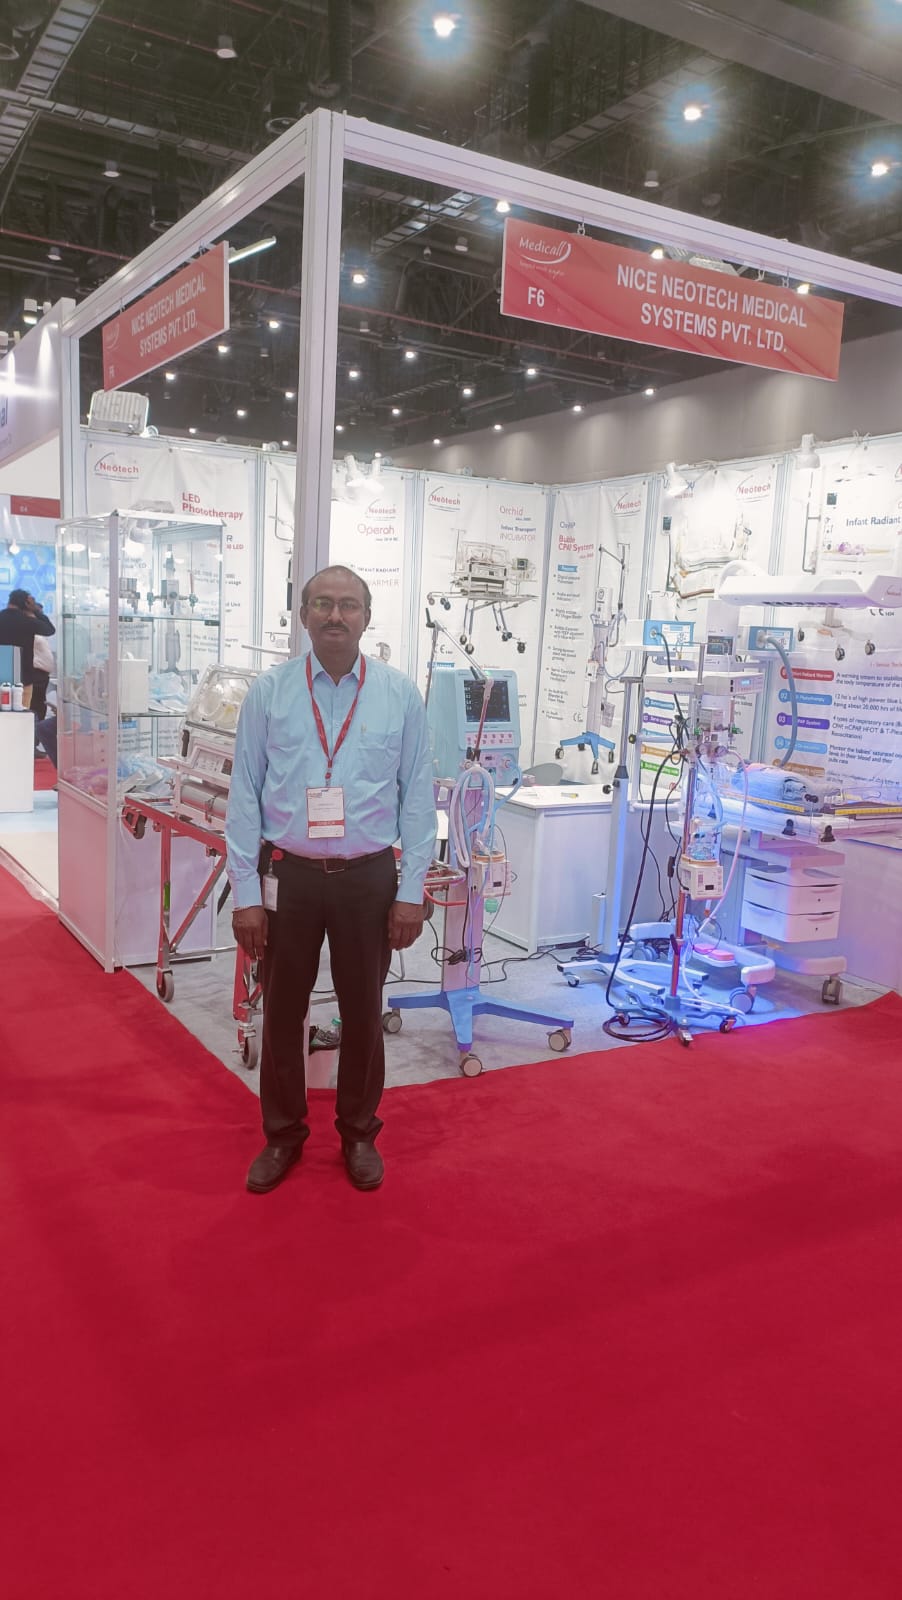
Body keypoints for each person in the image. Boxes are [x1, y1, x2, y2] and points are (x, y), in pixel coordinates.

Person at [225, 564, 437, 1196]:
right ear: (303, 616)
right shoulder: (269, 693)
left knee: (363, 1012)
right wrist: (245, 895)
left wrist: (411, 892)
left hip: (368, 877)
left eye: (348, 605)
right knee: (282, 1011)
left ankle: (359, 1132)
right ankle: (283, 1135)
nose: (335, 615)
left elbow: (417, 799)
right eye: (323, 604)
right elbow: (244, 797)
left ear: (367, 617)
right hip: (287, 875)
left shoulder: (399, 695)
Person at [0, 589, 55, 710]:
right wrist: (35, 610)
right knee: (22, 714)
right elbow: (50, 630)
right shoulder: (27, 621)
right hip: (24, 677)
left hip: (2, 675)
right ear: (26, 603)